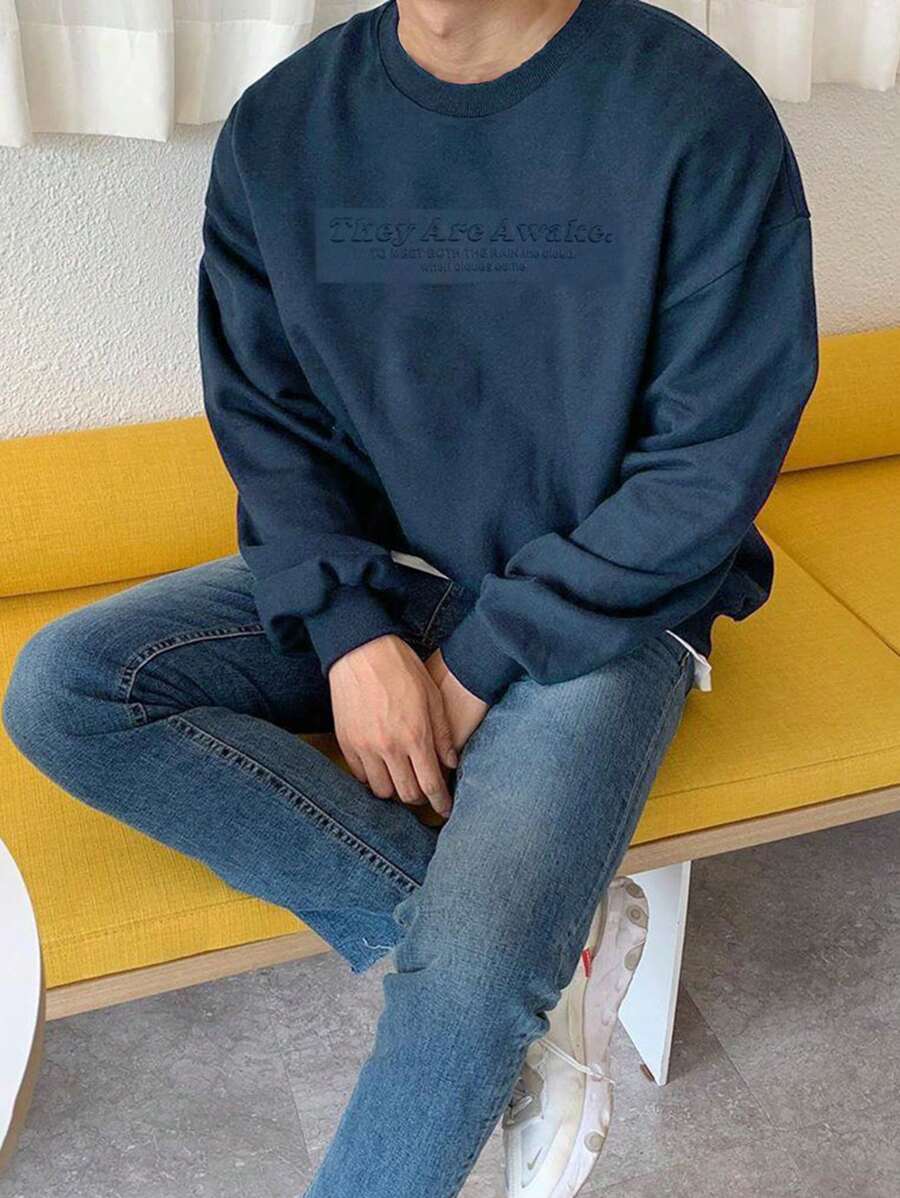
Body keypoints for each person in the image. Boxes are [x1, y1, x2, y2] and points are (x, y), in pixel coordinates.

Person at [2, 1, 819, 1195]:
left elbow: (708, 461)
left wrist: (483, 657)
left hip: (604, 609)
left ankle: (503, 968)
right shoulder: (285, 128)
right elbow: (268, 423)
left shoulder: (693, 113)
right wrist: (350, 632)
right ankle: (540, 965)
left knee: (476, 970)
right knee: (67, 686)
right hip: (385, 571)